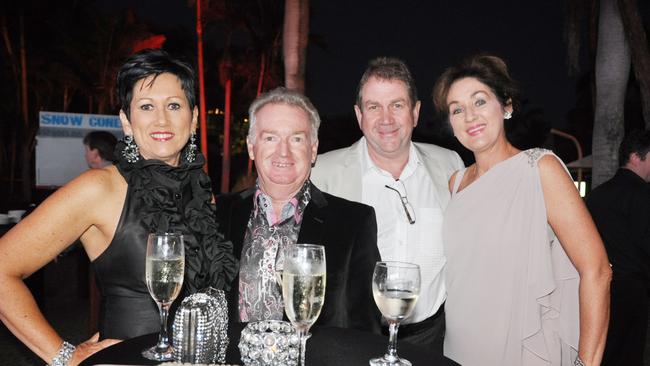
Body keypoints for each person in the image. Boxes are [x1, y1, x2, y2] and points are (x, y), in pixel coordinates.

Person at [0, 49, 237, 366]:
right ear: (127, 120)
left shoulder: (201, 192)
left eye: (174, 105)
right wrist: (64, 356)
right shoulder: (100, 188)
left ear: (193, 118)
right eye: (146, 106)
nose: (161, 119)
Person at [432, 54, 611, 366]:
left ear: (507, 106)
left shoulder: (540, 169)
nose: (470, 116)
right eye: (457, 109)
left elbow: (596, 270)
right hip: (460, 346)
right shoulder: (455, 183)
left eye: (480, 101)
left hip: (524, 348)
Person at [310, 57, 463, 350]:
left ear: (415, 112)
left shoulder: (449, 165)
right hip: (353, 339)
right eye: (374, 107)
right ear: (359, 115)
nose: (386, 119)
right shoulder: (323, 174)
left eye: (397, 105)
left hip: (433, 340)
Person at [216, 87, 382, 334]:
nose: (283, 152)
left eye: (296, 138)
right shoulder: (216, 214)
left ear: (313, 149)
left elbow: (365, 330)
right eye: (270, 138)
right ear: (252, 147)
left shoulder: (353, 223)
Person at [586, 129, 650, 366]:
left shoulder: (596, 195)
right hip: (632, 290)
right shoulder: (643, 194)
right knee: (630, 355)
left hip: (597, 289)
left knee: (606, 352)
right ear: (636, 157)